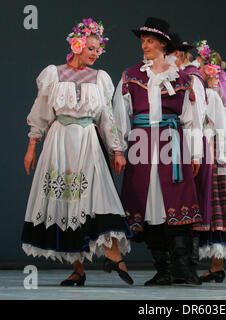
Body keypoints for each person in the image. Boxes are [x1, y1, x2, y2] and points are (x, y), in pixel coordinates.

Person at [21, 18, 134, 286]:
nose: (96, 53)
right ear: (77, 45)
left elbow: (106, 116)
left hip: (87, 142)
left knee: (95, 197)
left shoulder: (100, 78)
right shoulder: (54, 74)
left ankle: (114, 255)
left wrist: (117, 150)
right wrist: (32, 145)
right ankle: (78, 269)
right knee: (67, 201)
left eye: (98, 49)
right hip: (59, 142)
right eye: (92, 48)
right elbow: (41, 112)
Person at [113, 17, 203, 286]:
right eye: (143, 41)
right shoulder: (131, 76)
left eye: (150, 41)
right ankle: (162, 268)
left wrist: (196, 154)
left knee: (176, 202)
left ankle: (182, 267)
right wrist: (118, 149)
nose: (145, 46)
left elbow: (193, 119)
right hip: (141, 145)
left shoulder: (184, 78)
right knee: (147, 203)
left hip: (172, 144)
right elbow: (119, 116)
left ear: (163, 44)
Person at [194, 40, 226, 283]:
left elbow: (214, 127)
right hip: (223, 157)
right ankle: (217, 265)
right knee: (218, 210)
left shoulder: (211, 95)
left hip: (213, 155)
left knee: (217, 209)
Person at [165, 33, 207, 283]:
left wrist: (196, 153)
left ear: (178, 55)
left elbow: (197, 118)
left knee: (190, 204)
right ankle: (175, 265)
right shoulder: (169, 78)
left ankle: (188, 266)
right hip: (174, 143)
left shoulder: (190, 79)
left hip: (190, 144)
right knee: (176, 203)